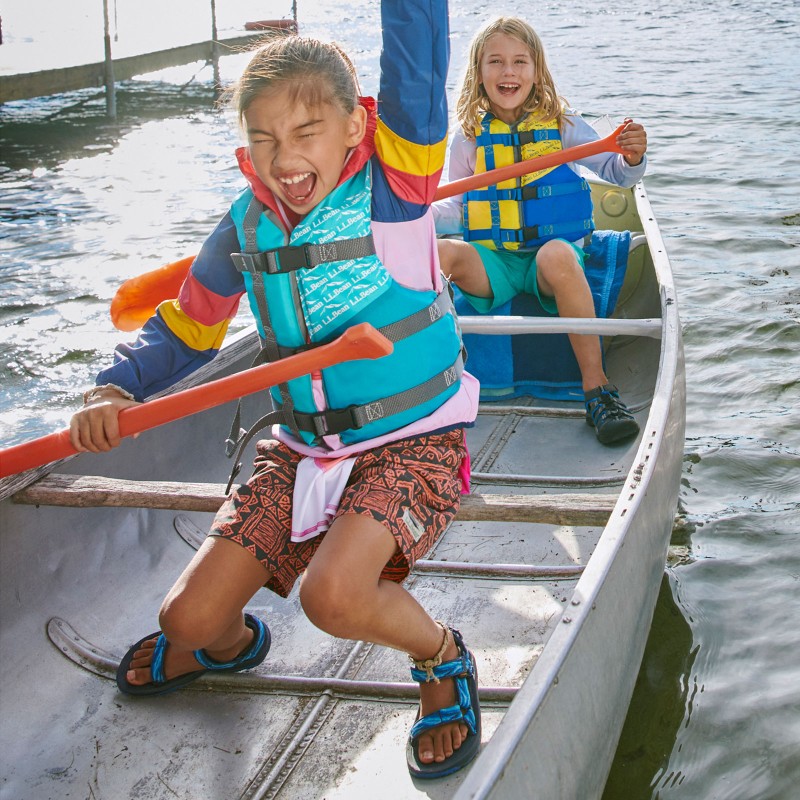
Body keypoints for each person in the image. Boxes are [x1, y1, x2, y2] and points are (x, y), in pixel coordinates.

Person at [69, 0, 481, 780]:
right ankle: (234, 645)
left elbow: (418, 64)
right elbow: (186, 327)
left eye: (304, 133)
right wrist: (114, 387)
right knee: (185, 621)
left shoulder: (397, 192)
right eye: (262, 139)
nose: (283, 159)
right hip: (302, 452)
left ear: (357, 128)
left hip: (414, 442)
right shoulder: (244, 227)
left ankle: (443, 657)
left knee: (335, 597)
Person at [434, 16, 648, 445]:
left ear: (537, 71)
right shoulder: (468, 139)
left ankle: (598, 390)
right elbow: (456, 205)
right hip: (494, 261)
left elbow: (618, 174)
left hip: (549, 262)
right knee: (439, 253)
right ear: (478, 72)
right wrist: (412, 219)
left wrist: (630, 157)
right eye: (495, 61)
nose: (508, 71)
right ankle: (428, 385)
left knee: (557, 254)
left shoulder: (562, 124)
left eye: (519, 61)